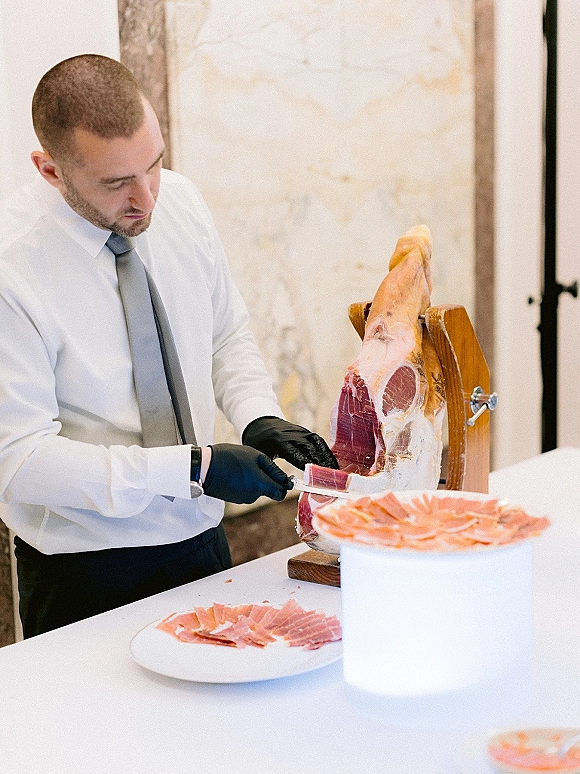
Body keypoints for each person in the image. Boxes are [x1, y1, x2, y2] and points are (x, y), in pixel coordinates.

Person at [0, 54, 337, 638]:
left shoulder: (180, 202)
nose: (147, 199)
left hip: (201, 543)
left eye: (153, 165)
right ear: (50, 170)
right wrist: (190, 467)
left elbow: (226, 331)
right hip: (84, 570)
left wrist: (257, 415)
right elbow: (19, 462)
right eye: (115, 183)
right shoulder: (12, 269)